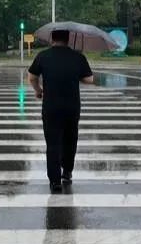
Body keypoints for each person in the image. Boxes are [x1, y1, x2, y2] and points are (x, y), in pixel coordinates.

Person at [27, 29, 95, 192]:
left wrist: (38, 90)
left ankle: (55, 181)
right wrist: (75, 73)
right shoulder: (78, 57)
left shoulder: (43, 56)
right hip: (72, 107)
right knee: (70, 140)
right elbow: (89, 79)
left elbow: (31, 76)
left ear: (52, 39)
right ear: (68, 39)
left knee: (53, 143)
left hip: (51, 107)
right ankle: (67, 172)